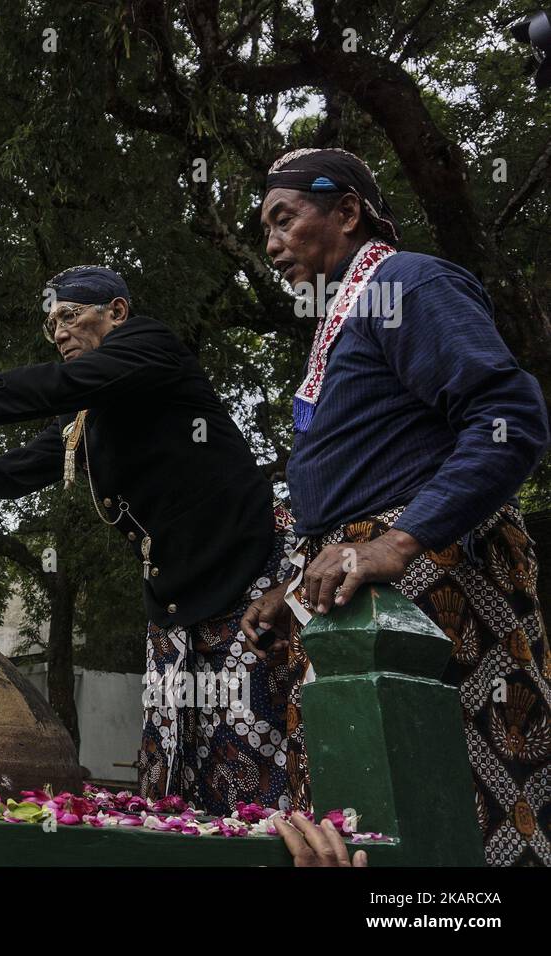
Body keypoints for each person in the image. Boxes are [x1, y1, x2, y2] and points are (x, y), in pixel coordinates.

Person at [0, 266, 302, 815]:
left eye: (69, 315)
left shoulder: (151, 346)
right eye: (50, 325)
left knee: (259, 753)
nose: (58, 332)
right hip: (174, 598)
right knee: (179, 770)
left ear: (117, 313)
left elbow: (57, 384)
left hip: (249, 574)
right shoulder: (87, 413)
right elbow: (26, 467)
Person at [244, 146, 551, 866]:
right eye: (264, 229)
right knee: (362, 822)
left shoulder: (407, 280)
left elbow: (510, 417)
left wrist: (399, 542)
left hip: (433, 587)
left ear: (347, 211)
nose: (271, 245)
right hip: (360, 589)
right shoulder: (346, 313)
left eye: (284, 220)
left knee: (453, 810)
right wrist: (291, 592)